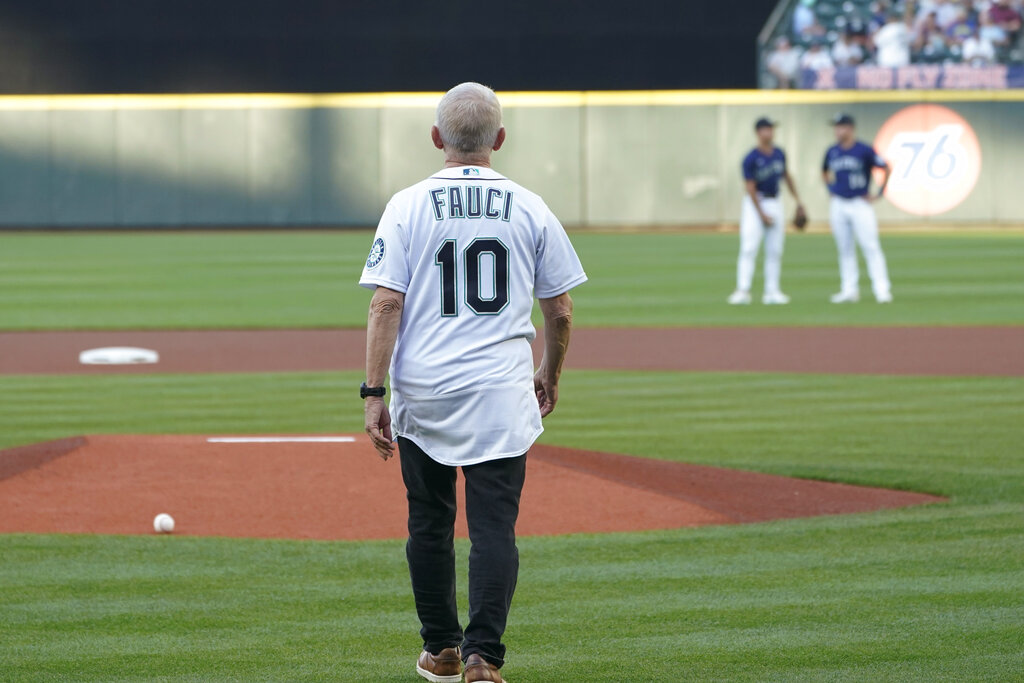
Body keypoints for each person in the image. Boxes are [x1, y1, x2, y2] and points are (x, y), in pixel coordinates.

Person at [360, 82, 586, 683]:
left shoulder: (406, 205)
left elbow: (386, 304)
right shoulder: (530, 205)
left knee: (428, 524)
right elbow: (559, 311)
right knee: (493, 529)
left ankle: (441, 650)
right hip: (499, 394)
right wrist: (550, 374)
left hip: (424, 392)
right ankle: (485, 656)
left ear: (437, 139)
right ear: (500, 141)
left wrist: (373, 392)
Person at [728, 117, 805, 306]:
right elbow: (750, 187)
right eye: (766, 129)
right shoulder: (750, 158)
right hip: (755, 204)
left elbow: (787, 177)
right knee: (749, 247)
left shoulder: (779, 153)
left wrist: (798, 201)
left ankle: (772, 291)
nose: (770, 132)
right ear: (758, 132)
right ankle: (743, 290)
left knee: (775, 250)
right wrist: (761, 213)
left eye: (771, 129)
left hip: (775, 201)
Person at [822, 113, 893, 304]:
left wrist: (879, 193)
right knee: (844, 249)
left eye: (841, 126)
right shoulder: (832, 151)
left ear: (851, 128)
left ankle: (882, 290)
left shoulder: (864, 150)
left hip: (860, 203)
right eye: (836, 127)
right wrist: (830, 189)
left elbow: (886, 167)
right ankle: (849, 290)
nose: (837, 130)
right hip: (839, 203)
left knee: (870, 246)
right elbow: (824, 171)